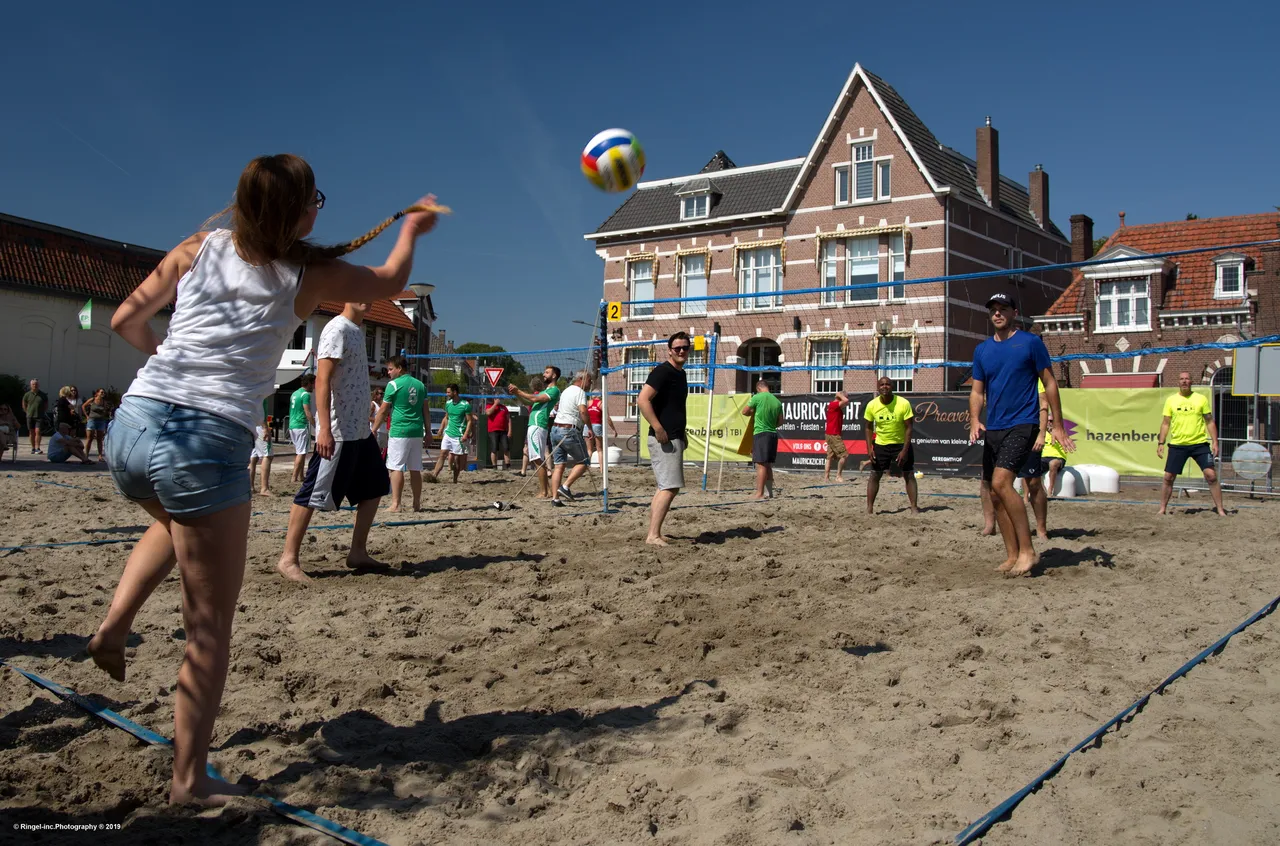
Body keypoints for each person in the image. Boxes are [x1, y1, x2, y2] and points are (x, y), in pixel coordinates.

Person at [86, 151, 438, 807]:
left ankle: (112, 626)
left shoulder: (199, 246)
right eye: (317, 200)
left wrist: (168, 363)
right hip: (205, 441)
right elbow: (390, 277)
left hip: (130, 428)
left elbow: (124, 321)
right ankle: (189, 782)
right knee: (209, 628)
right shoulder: (308, 273)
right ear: (303, 213)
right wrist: (413, 228)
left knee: (172, 522)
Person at [280, 301, 401, 583]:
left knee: (375, 488)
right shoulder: (336, 329)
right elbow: (322, 380)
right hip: (338, 431)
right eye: (359, 292)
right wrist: (323, 430)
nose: (366, 299)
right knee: (312, 492)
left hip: (360, 430)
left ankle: (357, 551)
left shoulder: (357, 330)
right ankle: (288, 558)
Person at [969, 293, 1074, 577]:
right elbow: (977, 391)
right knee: (994, 491)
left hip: (1023, 422)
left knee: (1004, 483)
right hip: (995, 426)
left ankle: (1028, 550)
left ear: (1014, 312)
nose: (997, 313)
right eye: (993, 309)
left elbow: (1050, 383)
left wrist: (1058, 425)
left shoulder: (1030, 342)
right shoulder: (982, 350)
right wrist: (975, 419)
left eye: (1003, 309)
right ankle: (1012, 554)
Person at [637, 332, 690, 545]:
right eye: (677, 348)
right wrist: (658, 427)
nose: (681, 351)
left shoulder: (681, 374)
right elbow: (642, 400)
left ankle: (655, 532)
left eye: (685, 347)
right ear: (669, 350)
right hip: (664, 439)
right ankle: (652, 535)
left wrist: (682, 432)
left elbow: (676, 408)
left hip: (674, 436)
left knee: (665, 486)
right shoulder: (662, 372)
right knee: (669, 487)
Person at [1157, 371, 1228, 516]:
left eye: (1187, 379)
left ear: (1191, 382)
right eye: (1181, 379)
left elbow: (1209, 421)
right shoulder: (1171, 400)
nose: (1184, 381)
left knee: (1211, 476)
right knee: (1168, 477)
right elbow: (1165, 423)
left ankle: (1220, 509)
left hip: (1199, 444)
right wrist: (1161, 443)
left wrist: (1215, 442)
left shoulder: (1200, 399)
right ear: (1178, 382)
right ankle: (1162, 509)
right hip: (1178, 444)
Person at [373, 354, 426, 512]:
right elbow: (426, 411)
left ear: (399, 369)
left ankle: (396, 504)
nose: (388, 372)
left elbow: (383, 410)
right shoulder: (420, 385)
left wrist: (373, 429)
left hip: (400, 430)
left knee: (396, 467)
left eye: (390, 369)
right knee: (415, 468)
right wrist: (428, 431)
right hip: (417, 430)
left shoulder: (393, 385)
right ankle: (416, 503)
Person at [864, 377, 919, 514]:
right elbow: (868, 427)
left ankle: (913, 507)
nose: (884, 387)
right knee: (875, 475)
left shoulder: (903, 403)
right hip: (881, 444)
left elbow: (909, 428)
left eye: (887, 384)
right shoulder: (872, 405)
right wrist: (869, 448)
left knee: (909, 474)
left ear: (892, 386)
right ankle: (869, 508)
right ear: (878, 387)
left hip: (900, 444)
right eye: (882, 384)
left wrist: (904, 450)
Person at [509, 366, 563, 497]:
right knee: (537, 459)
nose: (544, 374)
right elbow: (528, 401)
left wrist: (518, 390)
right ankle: (547, 490)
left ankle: (544, 491)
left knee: (537, 459)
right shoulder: (546, 390)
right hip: (536, 425)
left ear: (554, 375)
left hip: (538, 425)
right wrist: (516, 393)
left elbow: (534, 399)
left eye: (547, 372)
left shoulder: (554, 390)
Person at [546, 371, 591, 506]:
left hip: (555, 429)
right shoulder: (580, 392)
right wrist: (589, 427)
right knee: (584, 461)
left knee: (559, 466)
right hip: (568, 430)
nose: (590, 384)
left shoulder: (565, 391)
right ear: (582, 380)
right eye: (589, 380)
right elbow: (583, 411)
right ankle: (565, 487)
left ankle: (555, 499)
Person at [743, 378, 784, 500]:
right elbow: (781, 421)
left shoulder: (757, 397)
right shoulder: (777, 401)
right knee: (768, 464)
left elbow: (744, 411)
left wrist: (751, 412)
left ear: (758, 388)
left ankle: (759, 493)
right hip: (773, 434)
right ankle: (769, 493)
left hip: (761, 433)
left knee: (761, 464)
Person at [429, 384, 474, 483]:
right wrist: (441, 429)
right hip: (448, 433)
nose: (447, 394)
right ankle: (434, 476)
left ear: (455, 392)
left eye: (449, 392)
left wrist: (466, 434)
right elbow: (446, 417)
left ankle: (455, 480)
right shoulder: (448, 403)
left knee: (457, 459)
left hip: (458, 435)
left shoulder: (465, 405)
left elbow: (470, 421)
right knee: (442, 454)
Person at [288, 374, 315, 482]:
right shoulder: (305, 395)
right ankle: (294, 477)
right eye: (313, 384)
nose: (314, 387)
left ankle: (301, 476)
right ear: (309, 383)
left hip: (292, 425)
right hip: (300, 425)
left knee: (301, 450)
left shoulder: (295, 393)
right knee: (301, 452)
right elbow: (307, 411)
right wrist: (315, 424)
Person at [584, 386, 618, 459]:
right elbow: (607, 418)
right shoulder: (602, 404)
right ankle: (602, 469)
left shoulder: (587, 403)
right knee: (599, 450)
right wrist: (613, 429)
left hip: (587, 426)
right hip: (597, 426)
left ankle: (585, 467)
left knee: (589, 450)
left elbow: (583, 414)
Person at [248, 398, 273, 495]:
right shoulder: (262, 393)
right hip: (260, 426)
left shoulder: (254, 392)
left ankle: (250, 486)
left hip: (252, 425)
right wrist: (265, 427)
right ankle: (264, 488)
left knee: (253, 457)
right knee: (267, 456)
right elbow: (260, 412)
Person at [823, 391, 850, 482]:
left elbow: (846, 402)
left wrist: (841, 396)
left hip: (831, 434)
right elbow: (846, 401)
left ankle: (826, 477)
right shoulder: (834, 404)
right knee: (844, 455)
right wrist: (839, 394)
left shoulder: (834, 405)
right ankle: (838, 476)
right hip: (833, 434)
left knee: (829, 456)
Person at [82, 388, 111, 461]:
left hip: (101, 421)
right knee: (89, 438)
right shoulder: (92, 400)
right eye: (101, 392)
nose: (102, 393)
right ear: (97, 393)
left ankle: (100, 456)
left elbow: (106, 411)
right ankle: (86, 455)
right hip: (92, 420)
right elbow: (83, 406)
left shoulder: (104, 402)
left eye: (103, 392)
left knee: (99, 439)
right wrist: (86, 416)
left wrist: (105, 413)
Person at [486, 396, 512, 470]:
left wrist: (510, 430)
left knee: (506, 448)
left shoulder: (504, 408)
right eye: (496, 398)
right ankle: (494, 466)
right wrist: (495, 404)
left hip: (503, 431)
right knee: (494, 448)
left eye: (498, 398)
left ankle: (508, 465)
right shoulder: (489, 406)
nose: (498, 400)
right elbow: (488, 413)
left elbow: (508, 419)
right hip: (493, 430)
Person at [23, 379, 48, 454]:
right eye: (33, 384)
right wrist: (27, 412)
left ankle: (38, 447)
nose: (35, 385)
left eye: (36, 384)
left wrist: (43, 412)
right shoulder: (27, 394)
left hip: (39, 416)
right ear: (31, 385)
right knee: (31, 432)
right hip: (30, 416)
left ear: (38, 385)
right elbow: (24, 404)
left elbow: (46, 405)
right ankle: (33, 448)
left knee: (38, 431)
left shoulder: (43, 395)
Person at [369, 386, 389, 459]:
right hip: (377, 430)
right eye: (380, 394)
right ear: (375, 394)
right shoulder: (373, 404)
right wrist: (379, 420)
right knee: (375, 451)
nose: (381, 395)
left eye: (382, 394)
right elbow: (368, 417)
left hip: (383, 431)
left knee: (382, 451)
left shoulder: (382, 405)